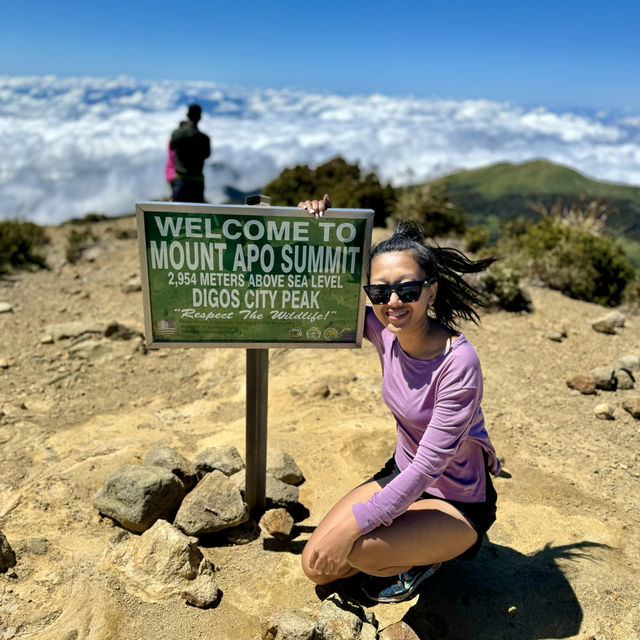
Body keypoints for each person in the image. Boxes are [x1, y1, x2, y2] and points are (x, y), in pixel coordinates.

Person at [297, 194, 500, 603]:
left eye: (407, 289)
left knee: (355, 549)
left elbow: (428, 467)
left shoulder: (458, 363)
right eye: (380, 290)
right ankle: (401, 544)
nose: (393, 302)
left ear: (431, 291)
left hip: (456, 499)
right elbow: (322, 292)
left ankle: (422, 562)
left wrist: (356, 527)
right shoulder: (383, 333)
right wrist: (316, 235)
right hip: (402, 473)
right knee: (316, 568)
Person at [170, 104, 211, 203]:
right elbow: (207, 154)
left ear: (187, 115)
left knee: (177, 213)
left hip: (180, 179)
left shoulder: (176, 133)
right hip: (197, 182)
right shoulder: (204, 138)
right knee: (197, 215)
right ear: (200, 117)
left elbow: (172, 147)